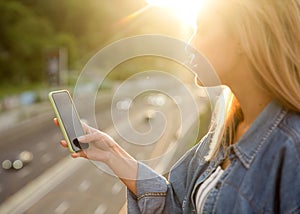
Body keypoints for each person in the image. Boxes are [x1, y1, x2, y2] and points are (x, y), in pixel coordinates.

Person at [54, 0, 300, 213]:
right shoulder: (225, 128)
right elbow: (177, 204)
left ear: (245, 38)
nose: (188, 45)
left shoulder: (293, 150)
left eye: (201, 30)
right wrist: (111, 154)